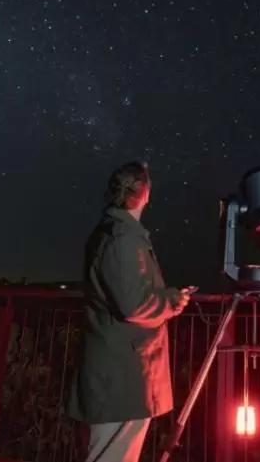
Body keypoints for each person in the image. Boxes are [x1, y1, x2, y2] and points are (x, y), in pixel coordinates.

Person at [66, 161, 192, 462]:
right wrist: (172, 301)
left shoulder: (116, 233)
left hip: (121, 371)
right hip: (122, 375)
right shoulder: (122, 238)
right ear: (145, 193)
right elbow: (132, 303)